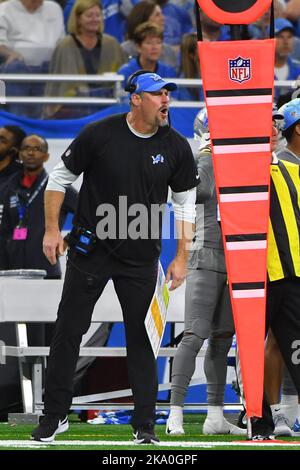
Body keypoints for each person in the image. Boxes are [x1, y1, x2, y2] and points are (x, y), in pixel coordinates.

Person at [31, 70, 199, 444]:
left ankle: (144, 426)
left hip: (141, 258)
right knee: (68, 332)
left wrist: (183, 256)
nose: (166, 100)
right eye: (158, 95)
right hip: (91, 253)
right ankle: (54, 417)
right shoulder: (99, 134)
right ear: (135, 99)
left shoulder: (175, 145)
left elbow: (185, 204)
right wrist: (52, 229)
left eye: (168, 94)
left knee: (143, 340)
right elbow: (58, 178)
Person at [166, 109, 245, 436]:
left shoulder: (235, 161)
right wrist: (207, 156)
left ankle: (215, 415)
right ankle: (175, 413)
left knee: (223, 338)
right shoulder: (209, 160)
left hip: (234, 257)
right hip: (206, 253)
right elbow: (191, 193)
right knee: (195, 333)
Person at [0, 134, 78, 278]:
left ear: (46, 156)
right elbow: (3, 231)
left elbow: (87, 215)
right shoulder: (6, 188)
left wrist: (69, 241)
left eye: (37, 149)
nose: (31, 152)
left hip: (46, 270)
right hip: (11, 272)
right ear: (19, 154)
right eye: (26, 148)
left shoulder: (58, 188)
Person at [44, 0, 126, 119]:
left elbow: (122, 79)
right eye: (89, 15)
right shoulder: (65, 45)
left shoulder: (112, 44)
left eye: (98, 15)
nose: (95, 19)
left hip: (107, 108)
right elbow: (58, 86)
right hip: (73, 108)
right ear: (77, 19)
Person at [0, 0, 65, 117]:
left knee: (56, 68)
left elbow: (62, 42)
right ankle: (18, 122)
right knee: (15, 68)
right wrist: (10, 53)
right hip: (16, 68)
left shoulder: (54, 8)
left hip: (48, 67)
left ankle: (40, 124)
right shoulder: (4, 9)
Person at [121, 1, 178, 72]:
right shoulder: (124, 50)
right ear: (144, 18)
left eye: (158, 43)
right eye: (157, 15)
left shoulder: (168, 52)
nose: (163, 18)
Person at [118, 22, 177, 87]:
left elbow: (174, 96)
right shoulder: (126, 72)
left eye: (158, 42)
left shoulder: (169, 72)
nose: (154, 47)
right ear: (138, 47)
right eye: (149, 43)